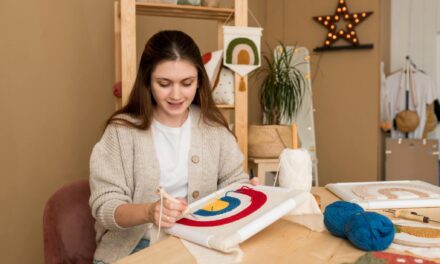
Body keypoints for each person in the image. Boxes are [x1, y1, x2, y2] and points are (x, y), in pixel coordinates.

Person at [89, 30, 257, 264]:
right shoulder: (121, 131)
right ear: (147, 80)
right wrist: (149, 212)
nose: (176, 95)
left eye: (187, 83)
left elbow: (233, 181)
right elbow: (105, 207)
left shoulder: (213, 127)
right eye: (164, 83)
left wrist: (249, 191)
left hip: (199, 243)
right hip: (135, 248)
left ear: (199, 81)